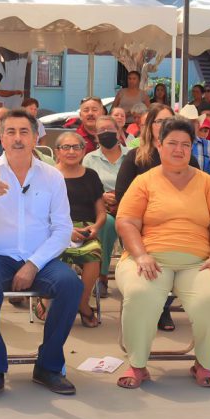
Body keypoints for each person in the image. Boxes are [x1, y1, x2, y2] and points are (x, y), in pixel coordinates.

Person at [0, 109, 82, 403]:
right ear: (1, 138)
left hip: (41, 258)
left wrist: (33, 264)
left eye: (23, 132)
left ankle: (49, 365)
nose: (17, 138)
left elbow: (63, 229)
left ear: (36, 137)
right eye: (10, 132)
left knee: (71, 284)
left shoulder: (52, 176)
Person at [115, 117, 210, 389]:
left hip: (198, 262)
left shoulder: (206, 183)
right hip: (148, 258)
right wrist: (141, 255)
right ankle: (137, 365)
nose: (178, 150)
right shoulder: (144, 181)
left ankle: (203, 363)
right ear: (159, 145)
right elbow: (127, 222)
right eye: (172, 143)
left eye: (185, 144)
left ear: (192, 148)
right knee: (140, 293)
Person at [114, 103, 202, 332]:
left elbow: (196, 200)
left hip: (178, 230)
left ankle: (164, 305)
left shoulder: (189, 160)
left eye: (168, 121)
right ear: (150, 126)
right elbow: (123, 199)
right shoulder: (135, 157)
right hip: (140, 229)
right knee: (153, 259)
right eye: (160, 122)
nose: (165, 126)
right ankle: (156, 309)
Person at [54, 131, 107, 327]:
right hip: (56, 229)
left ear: (84, 151)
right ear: (57, 151)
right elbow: (41, 213)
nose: (71, 151)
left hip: (86, 229)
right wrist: (66, 229)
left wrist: (96, 226)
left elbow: (101, 211)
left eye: (76, 147)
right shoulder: (49, 175)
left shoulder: (91, 176)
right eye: (65, 147)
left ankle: (82, 303)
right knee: (57, 256)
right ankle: (48, 299)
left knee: (93, 254)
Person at [81, 114, 128, 294]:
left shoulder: (131, 156)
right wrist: (102, 196)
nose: (106, 133)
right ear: (95, 136)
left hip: (129, 207)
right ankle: (101, 277)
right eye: (101, 130)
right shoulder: (89, 159)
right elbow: (86, 188)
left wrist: (121, 197)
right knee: (107, 224)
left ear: (118, 131)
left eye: (110, 129)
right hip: (102, 208)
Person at [179, 105, 210, 185]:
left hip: (200, 193)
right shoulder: (170, 145)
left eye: (193, 122)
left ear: (198, 125)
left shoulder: (209, 146)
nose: (189, 126)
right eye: (185, 122)